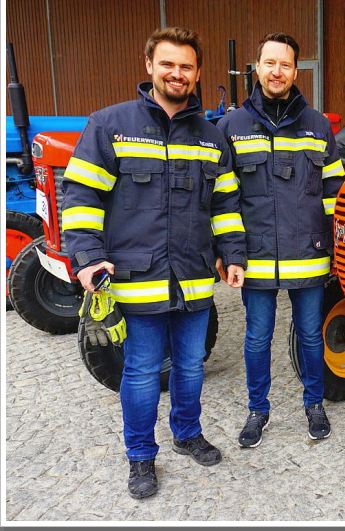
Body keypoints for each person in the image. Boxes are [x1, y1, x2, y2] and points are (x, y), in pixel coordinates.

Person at [61, 27, 247, 499]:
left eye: (186, 66)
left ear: (197, 73)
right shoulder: (110, 125)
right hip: (136, 279)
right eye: (168, 64)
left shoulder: (211, 137)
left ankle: (187, 434)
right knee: (142, 373)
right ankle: (141, 455)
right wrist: (87, 258)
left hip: (193, 279)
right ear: (149, 66)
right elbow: (82, 197)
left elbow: (225, 205)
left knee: (190, 366)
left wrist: (232, 255)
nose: (176, 73)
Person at [217, 32, 344, 446]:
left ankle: (314, 404)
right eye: (270, 63)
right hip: (255, 258)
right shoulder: (231, 127)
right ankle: (258, 410)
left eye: (285, 64)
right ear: (257, 68)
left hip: (308, 254)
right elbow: (224, 198)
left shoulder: (318, 126)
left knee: (309, 336)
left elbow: (333, 193)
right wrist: (231, 253)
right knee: (257, 338)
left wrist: (337, 249)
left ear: (295, 71)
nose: (277, 71)